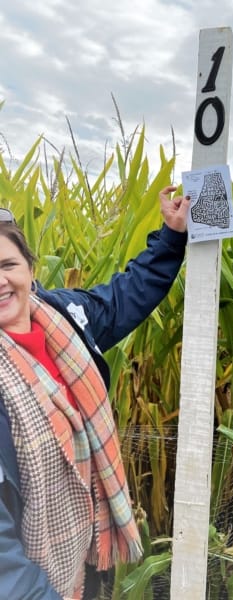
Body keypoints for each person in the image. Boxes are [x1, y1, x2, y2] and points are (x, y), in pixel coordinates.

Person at [0, 186, 190, 600]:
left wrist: (171, 237)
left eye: (7, 264)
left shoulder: (62, 318)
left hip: (77, 563)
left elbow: (121, 300)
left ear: (30, 270)